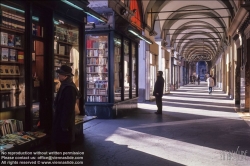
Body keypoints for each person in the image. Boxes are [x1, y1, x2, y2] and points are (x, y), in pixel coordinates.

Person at [52, 65, 81, 152]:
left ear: (65, 76)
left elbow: (68, 108)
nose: (58, 76)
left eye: (60, 74)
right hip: (62, 122)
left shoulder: (69, 88)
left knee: (63, 147)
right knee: (62, 146)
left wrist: (64, 125)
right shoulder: (65, 85)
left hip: (64, 124)